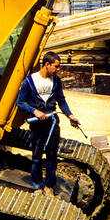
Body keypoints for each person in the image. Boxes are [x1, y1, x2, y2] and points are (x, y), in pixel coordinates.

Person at [17, 51, 82, 198]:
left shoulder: (56, 81)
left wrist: (70, 115)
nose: (58, 70)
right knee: (36, 156)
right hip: (37, 124)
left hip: (52, 123)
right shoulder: (29, 81)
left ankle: (49, 187)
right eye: (56, 67)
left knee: (52, 156)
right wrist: (34, 111)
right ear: (47, 65)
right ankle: (38, 186)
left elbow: (61, 101)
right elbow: (20, 102)